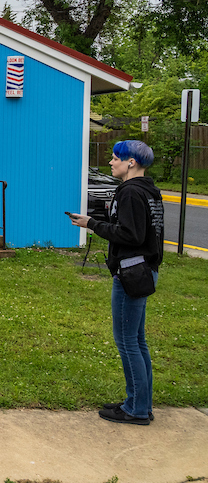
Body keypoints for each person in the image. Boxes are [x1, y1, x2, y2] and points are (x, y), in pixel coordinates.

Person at [69, 140, 164, 426]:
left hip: (131, 272)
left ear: (131, 162)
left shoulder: (131, 192)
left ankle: (135, 409)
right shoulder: (149, 191)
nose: (111, 163)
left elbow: (131, 235)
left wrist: (92, 224)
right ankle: (140, 403)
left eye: (115, 158)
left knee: (127, 342)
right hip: (145, 269)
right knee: (138, 340)